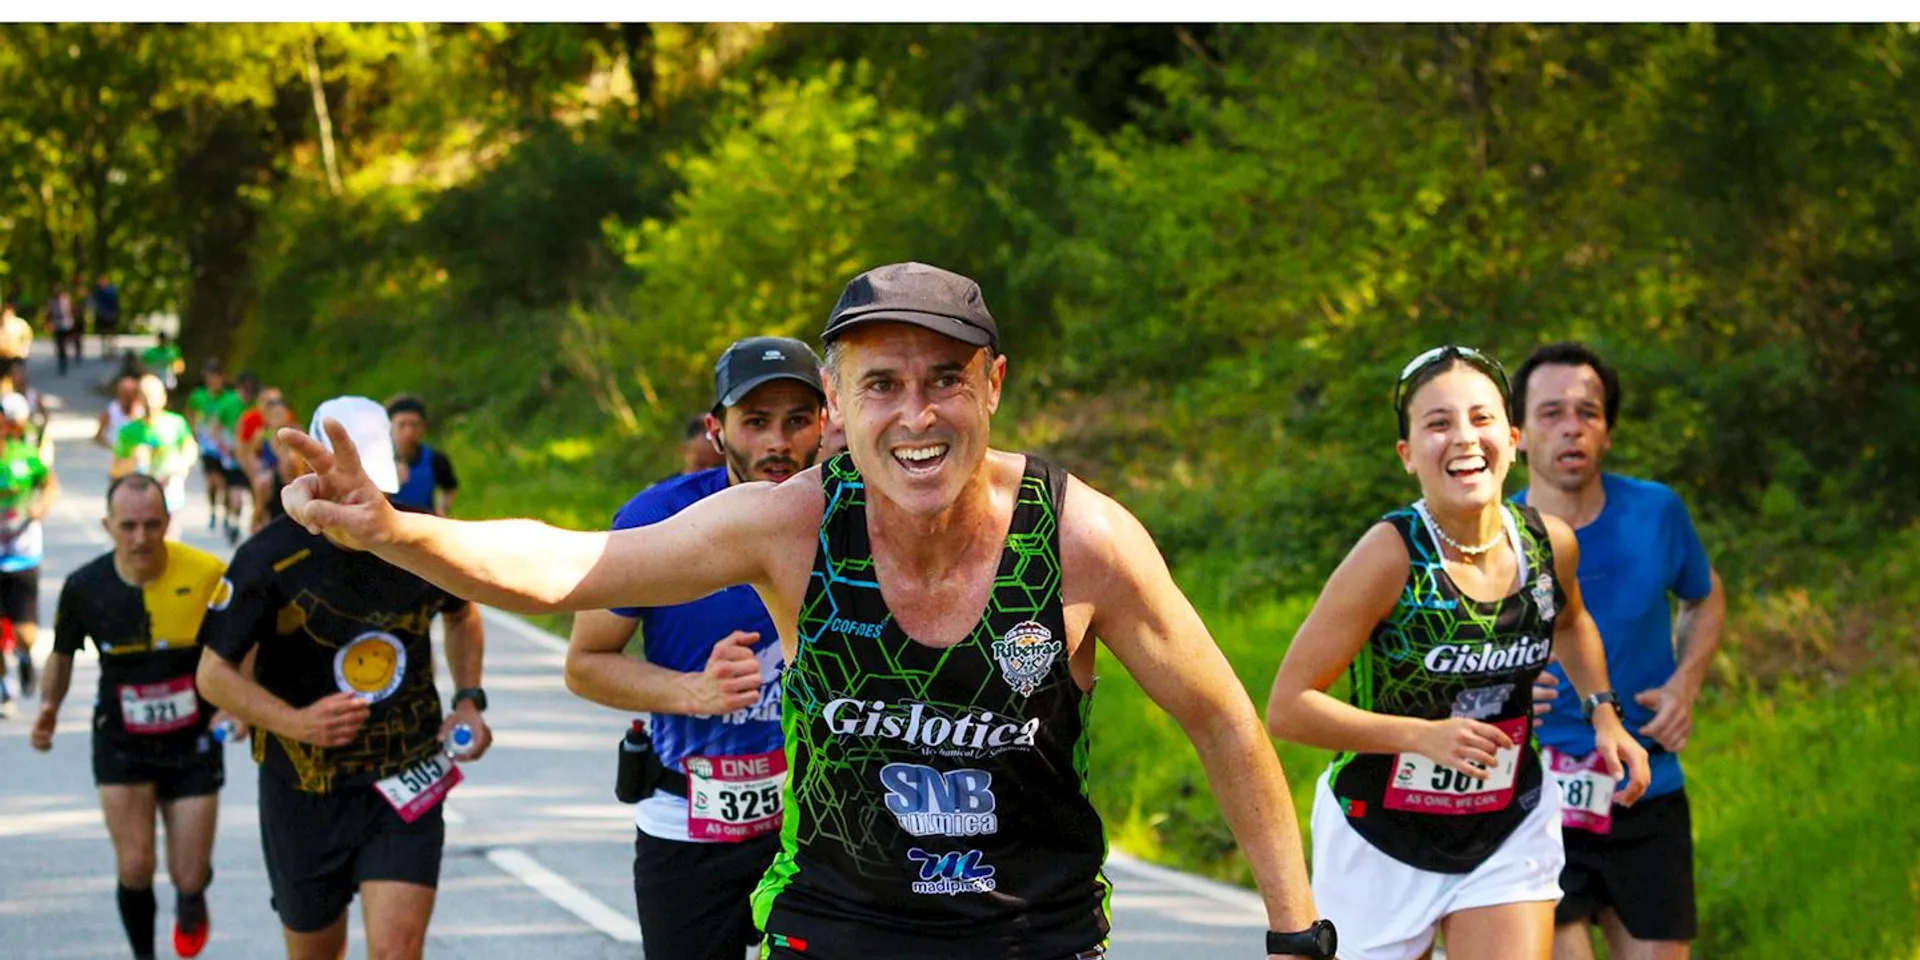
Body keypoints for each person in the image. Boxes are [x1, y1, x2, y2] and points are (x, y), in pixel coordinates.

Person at [280, 261, 1331, 960]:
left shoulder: (1078, 538)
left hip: (1032, 938)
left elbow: (1224, 722)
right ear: (843, 404)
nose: (916, 416)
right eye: (882, 386)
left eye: (945, 380)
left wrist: (1295, 932)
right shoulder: (788, 525)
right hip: (834, 930)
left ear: (995, 385)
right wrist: (394, 530)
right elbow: (575, 568)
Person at [1265, 344, 1652, 960]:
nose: (1464, 437)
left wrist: (1605, 715)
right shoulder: (1390, 555)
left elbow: (1573, 624)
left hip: (1508, 823)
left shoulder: (1548, 544)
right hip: (1380, 833)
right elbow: (1288, 708)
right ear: (1408, 455)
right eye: (1438, 424)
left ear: (1513, 437)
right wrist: (1420, 737)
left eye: (1482, 418)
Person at [198, 396, 494, 960]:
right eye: (342, 483)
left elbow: (463, 613)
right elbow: (214, 675)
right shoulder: (268, 558)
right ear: (310, 474)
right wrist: (296, 723)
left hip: (404, 776)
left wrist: (469, 699)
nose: (361, 500)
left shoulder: (422, 538)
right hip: (304, 789)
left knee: (397, 951)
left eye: (373, 485)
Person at [566, 336, 826, 959]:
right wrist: (692, 691)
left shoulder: (856, 518)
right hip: (688, 829)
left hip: (818, 835)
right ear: (717, 429)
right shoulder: (657, 520)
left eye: (796, 421)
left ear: (825, 424)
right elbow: (585, 664)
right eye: (756, 422)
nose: (777, 443)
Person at [1510, 342, 1726, 960]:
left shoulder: (1656, 512)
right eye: (1551, 413)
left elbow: (1705, 598)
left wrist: (1686, 682)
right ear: (1518, 435)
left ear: (1606, 432)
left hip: (1644, 788)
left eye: (1589, 412)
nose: (1572, 426)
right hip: (1535, 796)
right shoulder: (1496, 537)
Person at [30, 474, 241, 960]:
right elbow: (61, 656)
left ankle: (192, 899)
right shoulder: (85, 587)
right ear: (108, 526)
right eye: (128, 526)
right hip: (121, 743)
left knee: (188, 874)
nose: (140, 537)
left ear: (168, 521)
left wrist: (235, 706)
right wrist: (48, 709)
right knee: (135, 864)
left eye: (151, 524)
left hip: (193, 742)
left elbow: (241, 647)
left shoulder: (208, 574)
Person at [0, 392, 56, 717]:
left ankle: (23, 657)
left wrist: (41, 506)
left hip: (22, 552)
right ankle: (5, 689)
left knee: (25, 632)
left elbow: (50, 484)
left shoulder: (25, 455)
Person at [113, 375, 198, 534]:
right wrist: (134, 459)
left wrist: (181, 465)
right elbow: (116, 468)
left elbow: (190, 449)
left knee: (169, 540)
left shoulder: (176, 423)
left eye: (153, 396)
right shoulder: (128, 430)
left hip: (170, 492)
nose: (149, 403)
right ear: (138, 399)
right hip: (140, 497)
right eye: (144, 397)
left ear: (163, 398)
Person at [187, 362, 247, 543]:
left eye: (217, 377)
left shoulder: (231, 398)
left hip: (227, 448)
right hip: (208, 446)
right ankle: (213, 509)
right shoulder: (198, 396)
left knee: (229, 486)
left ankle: (229, 517)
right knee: (215, 481)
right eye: (210, 378)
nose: (214, 381)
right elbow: (190, 413)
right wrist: (193, 434)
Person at [385, 395, 459, 517]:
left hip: (424, 524)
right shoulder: (377, 463)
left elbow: (449, 487)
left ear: (423, 427)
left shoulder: (435, 459)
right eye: (402, 425)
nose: (409, 432)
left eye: (414, 425)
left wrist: (442, 510)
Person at [98, 374, 146, 452]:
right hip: (112, 451)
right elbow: (99, 437)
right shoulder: (112, 409)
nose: (126, 397)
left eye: (129, 394)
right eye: (123, 393)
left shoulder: (142, 412)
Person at [677, 411, 727, 475]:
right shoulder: (669, 484)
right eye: (701, 465)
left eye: (718, 466)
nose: (708, 473)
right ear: (683, 450)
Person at [48, 285, 81, 374]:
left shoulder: (66, 300)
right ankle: (62, 363)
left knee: (69, 342)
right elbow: (49, 313)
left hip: (67, 325)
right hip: (58, 325)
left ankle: (76, 353)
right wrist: (50, 323)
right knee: (60, 345)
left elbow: (72, 310)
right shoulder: (52, 302)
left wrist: (73, 321)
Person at [93, 274, 122, 356]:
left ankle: (111, 350)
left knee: (111, 332)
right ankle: (106, 350)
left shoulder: (111, 290)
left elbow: (116, 302)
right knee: (104, 333)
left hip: (111, 313)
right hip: (104, 314)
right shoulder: (99, 291)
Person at [0, 298, 32, 363]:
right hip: (2, 356)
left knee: (15, 371)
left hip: (15, 356)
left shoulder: (20, 323)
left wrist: (24, 349)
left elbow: (27, 337)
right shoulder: (1, 323)